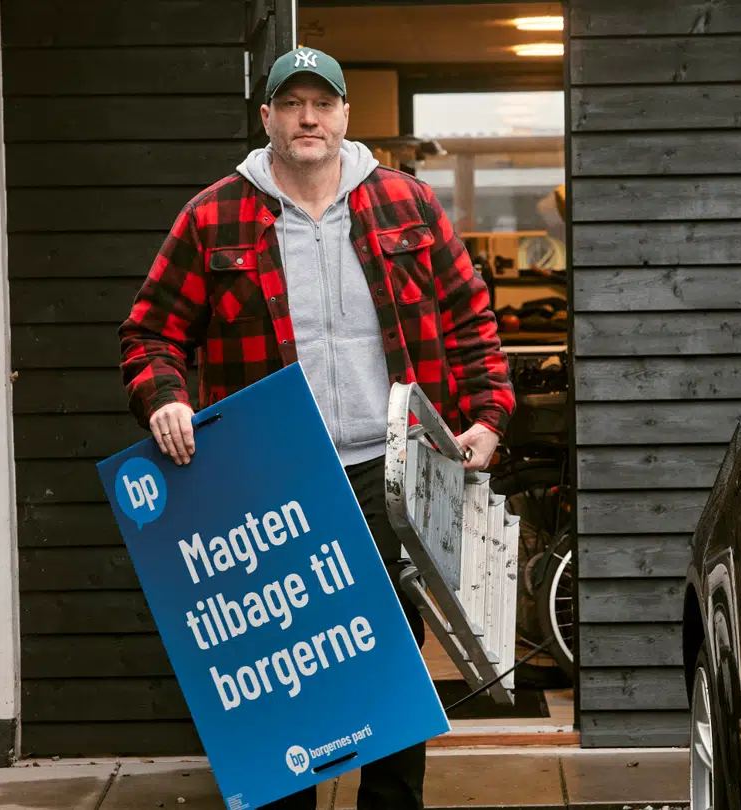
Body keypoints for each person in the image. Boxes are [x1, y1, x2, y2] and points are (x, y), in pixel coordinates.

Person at [117, 46, 514, 810]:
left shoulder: (407, 205)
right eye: (291, 104)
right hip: (274, 480)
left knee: (388, 660)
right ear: (266, 117)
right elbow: (149, 334)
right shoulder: (214, 216)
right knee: (284, 666)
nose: (308, 118)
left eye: (322, 104)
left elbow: (472, 320)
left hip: (387, 471)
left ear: (343, 116)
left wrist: (489, 415)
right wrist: (164, 396)